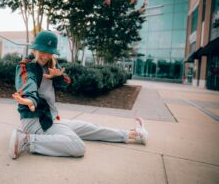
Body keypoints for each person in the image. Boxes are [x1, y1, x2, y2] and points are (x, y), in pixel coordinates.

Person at [9, 30, 148, 159]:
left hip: (50, 119)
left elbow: (66, 82)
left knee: (90, 128)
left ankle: (133, 135)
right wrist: (30, 99)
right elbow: (28, 82)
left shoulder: (51, 65)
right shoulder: (26, 65)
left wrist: (57, 77)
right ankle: (26, 140)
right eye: (42, 51)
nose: (45, 55)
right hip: (34, 120)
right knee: (77, 146)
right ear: (35, 48)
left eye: (49, 52)